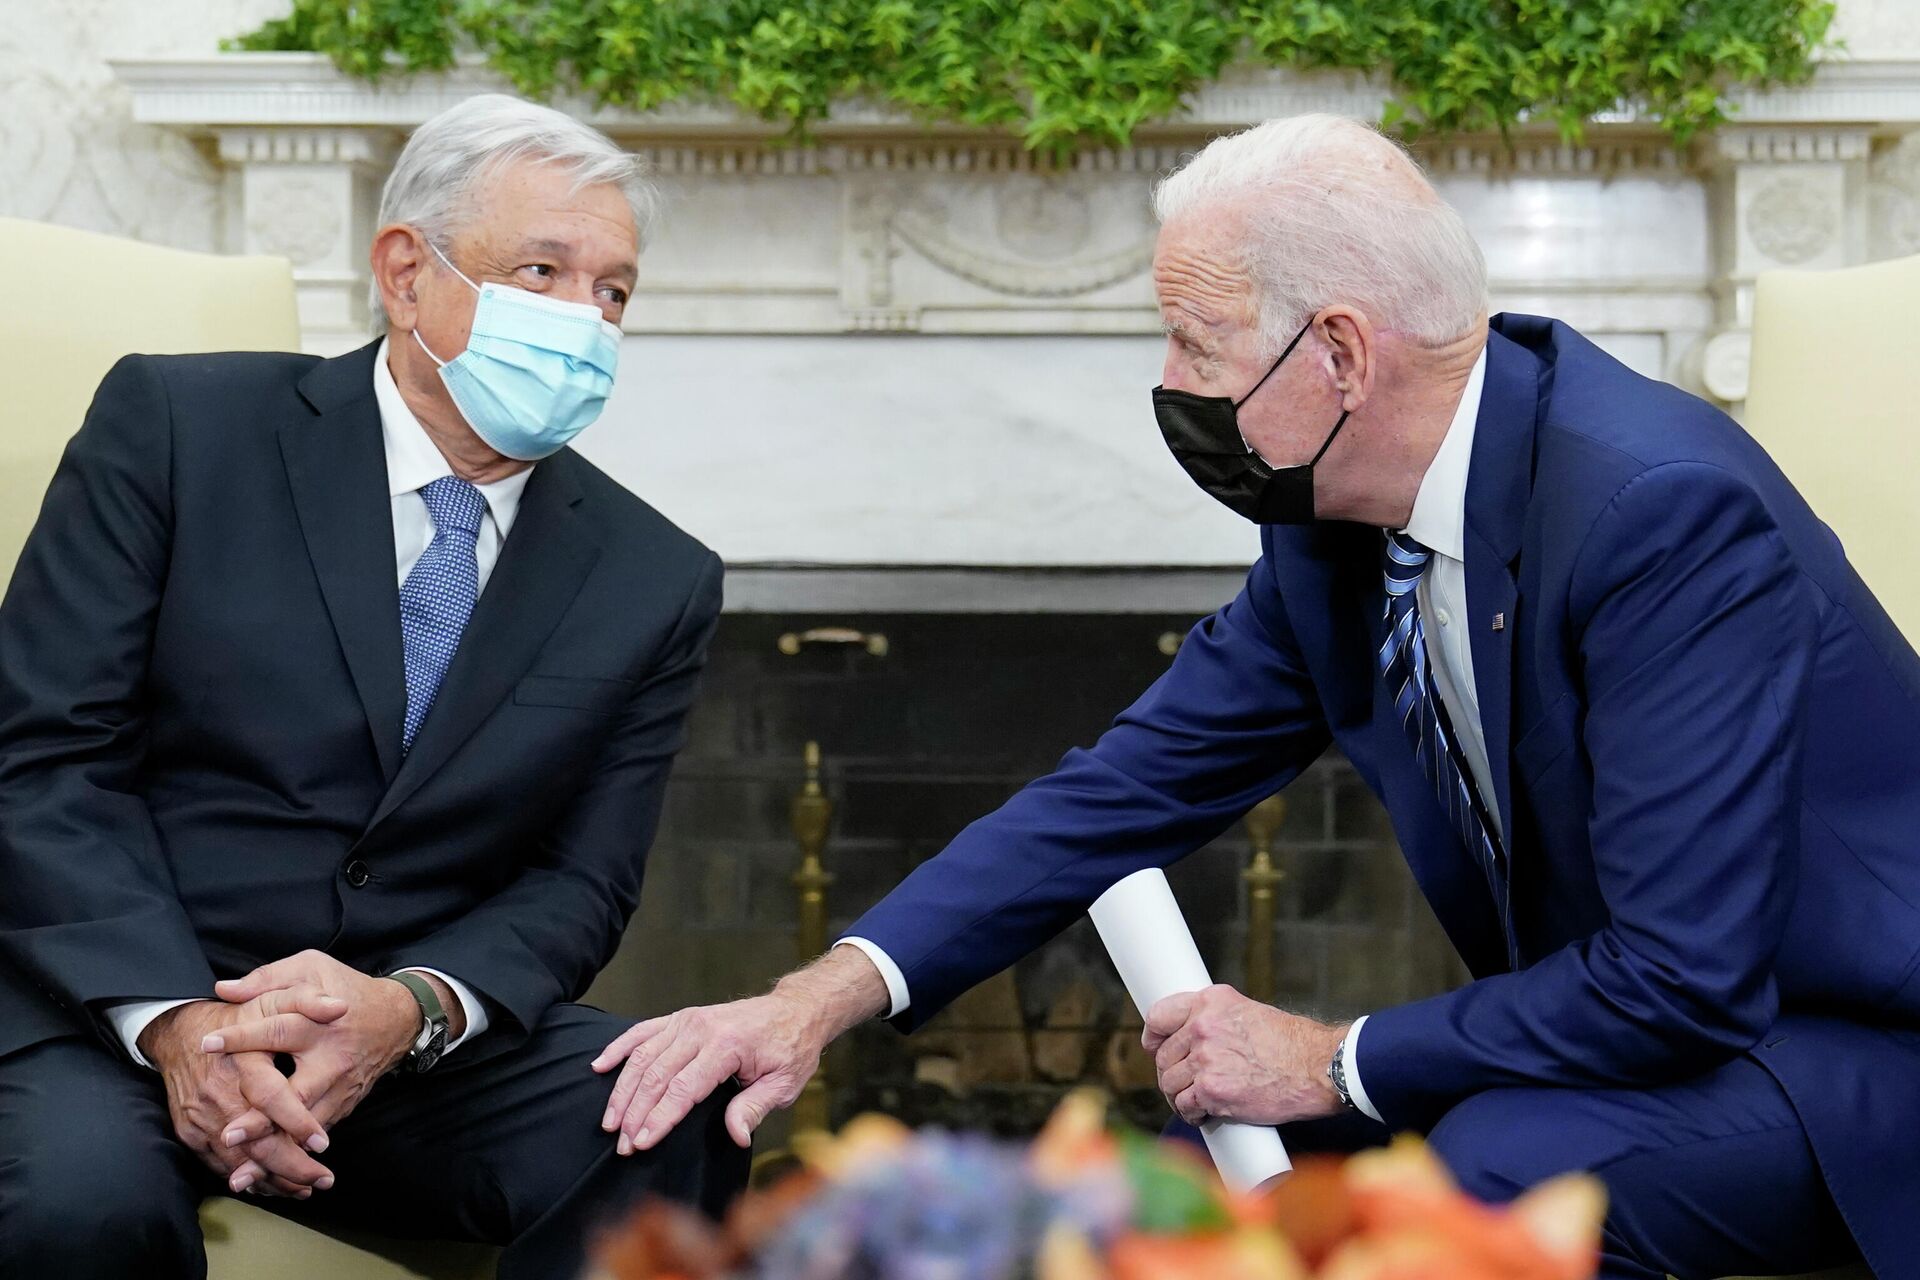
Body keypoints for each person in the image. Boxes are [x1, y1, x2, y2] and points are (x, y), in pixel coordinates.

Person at [591, 115, 1920, 1280]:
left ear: (1340, 352)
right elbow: (1116, 793)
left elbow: (1683, 981)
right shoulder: (1337, 530)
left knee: (1498, 1174)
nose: (1171, 386)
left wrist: (1329, 1056)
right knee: (1204, 1160)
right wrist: (811, 1001)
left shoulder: (1652, 512)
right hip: (1641, 1033)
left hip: (1840, 1051)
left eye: (1196, 341)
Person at [0, 94, 742, 1277]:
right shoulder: (182, 428)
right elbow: (43, 758)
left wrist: (414, 1007)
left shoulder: (657, 575)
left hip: (395, 1050)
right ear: (407, 272)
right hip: (112, 1011)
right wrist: (181, 1023)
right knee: (83, 1208)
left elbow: (581, 881)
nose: (585, 321)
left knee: (669, 1105)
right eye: (543, 269)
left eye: (614, 292)